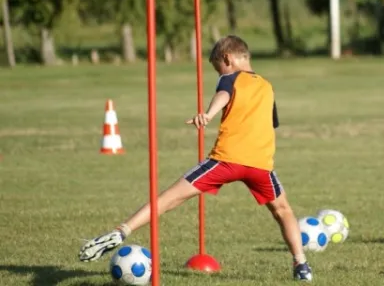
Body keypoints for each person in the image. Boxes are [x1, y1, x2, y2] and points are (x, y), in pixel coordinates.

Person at [78, 35, 313, 282]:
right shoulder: (267, 86)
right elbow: (270, 123)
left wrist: (209, 114)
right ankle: (301, 265)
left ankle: (121, 231)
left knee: (169, 198)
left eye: (217, 68)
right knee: (283, 210)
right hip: (260, 164)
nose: (218, 73)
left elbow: (224, 93)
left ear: (227, 59)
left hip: (226, 160)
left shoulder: (230, 77)